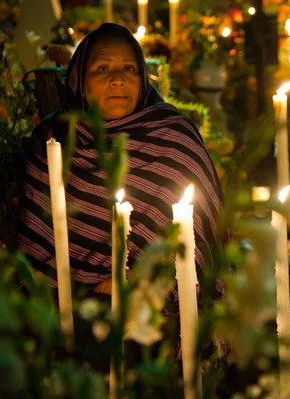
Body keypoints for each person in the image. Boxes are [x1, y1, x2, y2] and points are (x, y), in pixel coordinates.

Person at [18, 23, 223, 295]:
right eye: (103, 69)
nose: (118, 79)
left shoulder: (174, 138)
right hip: (66, 309)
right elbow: (36, 247)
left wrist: (144, 287)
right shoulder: (52, 140)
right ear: (79, 80)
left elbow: (196, 243)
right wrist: (92, 288)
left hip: (162, 313)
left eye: (129, 68)